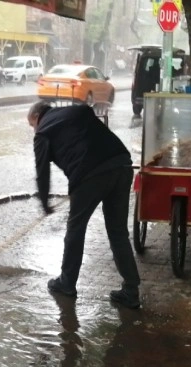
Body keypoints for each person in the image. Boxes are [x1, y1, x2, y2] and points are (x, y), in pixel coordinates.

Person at [27, 101, 141, 309]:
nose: (33, 129)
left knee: (76, 229)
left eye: (32, 125)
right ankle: (131, 291)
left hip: (89, 174)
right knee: (118, 232)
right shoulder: (74, 110)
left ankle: (67, 283)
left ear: (36, 117)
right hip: (122, 164)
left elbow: (42, 171)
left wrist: (44, 204)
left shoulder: (42, 132)